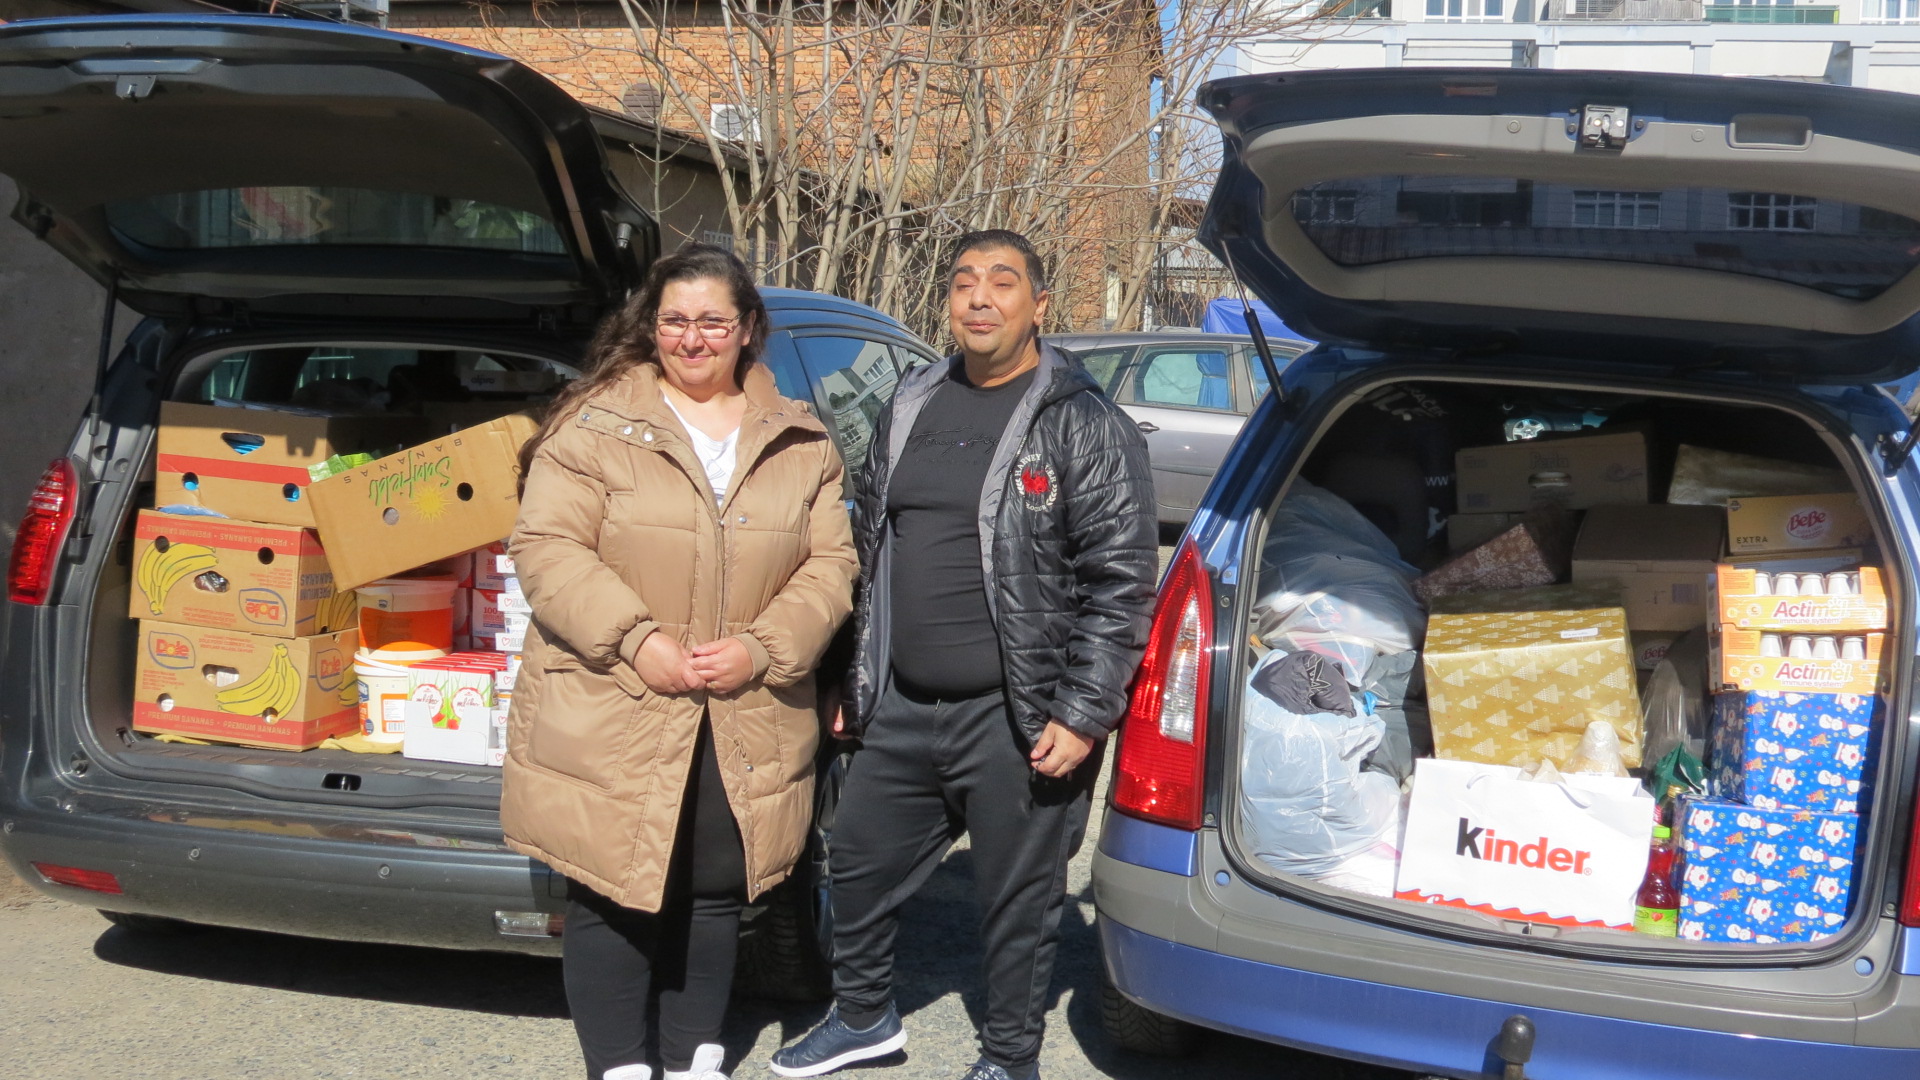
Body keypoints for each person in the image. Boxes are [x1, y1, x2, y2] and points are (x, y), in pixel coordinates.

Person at [770, 229, 1158, 1080]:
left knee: (1017, 903)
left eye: (1002, 282)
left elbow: (1123, 581)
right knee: (858, 861)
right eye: (963, 282)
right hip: (902, 704)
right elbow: (869, 546)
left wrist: (1083, 712)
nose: (980, 298)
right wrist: (850, 675)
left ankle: (1010, 1058)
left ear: (1039, 305)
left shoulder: (1082, 423)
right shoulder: (911, 401)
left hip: (1017, 715)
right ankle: (864, 1020)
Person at [501, 243, 858, 1080]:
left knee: (714, 889)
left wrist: (763, 648)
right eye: (673, 321)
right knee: (613, 887)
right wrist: (636, 640)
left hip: (748, 702)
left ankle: (693, 1055)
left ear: (748, 329)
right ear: (650, 325)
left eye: (712, 322)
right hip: (616, 697)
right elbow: (547, 546)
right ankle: (620, 1066)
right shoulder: (592, 426)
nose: (691, 339)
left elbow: (831, 565)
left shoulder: (800, 439)